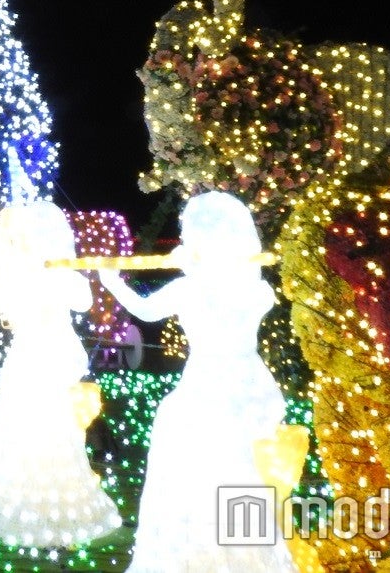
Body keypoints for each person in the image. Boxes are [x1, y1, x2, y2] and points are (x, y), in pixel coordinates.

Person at [98, 190, 297, 573]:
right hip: (244, 380)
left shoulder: (193, 288)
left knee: (210, 465)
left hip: (211, 383)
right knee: (237, 467)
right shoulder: (255, 289)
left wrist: (112, 281)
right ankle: (243, 549)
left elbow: (145, 309)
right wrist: (197, 268)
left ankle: (213, 551)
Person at [0, 198, 123, 547]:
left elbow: (83, 301)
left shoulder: (62, 276)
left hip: (55, 358)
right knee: (19, 422)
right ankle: (20, 498)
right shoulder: (16, 278)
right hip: (25, 358)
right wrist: (7, 281)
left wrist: (56, 275)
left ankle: (58, 500)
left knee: (57, 427)